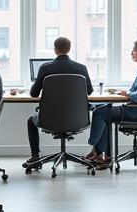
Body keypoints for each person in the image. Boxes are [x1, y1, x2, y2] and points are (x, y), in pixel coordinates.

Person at [86, 39, 137, 169]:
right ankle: (102, 155)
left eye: (134, 50)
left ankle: (96, 150)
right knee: (100, 109)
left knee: (99, 112)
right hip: (136, 109)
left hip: (136, 112)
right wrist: (124, 92)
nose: (132, 53)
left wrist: (127, 94)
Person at [25, 36, 94, 165]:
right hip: (77, 119)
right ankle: (98, 155)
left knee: (30, 120)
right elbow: (90, 92)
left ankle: (35, 156)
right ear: (69, 49)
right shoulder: (81, 68)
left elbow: (34, 94)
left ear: (55, 50)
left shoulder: (45, 68)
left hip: (49, 120)